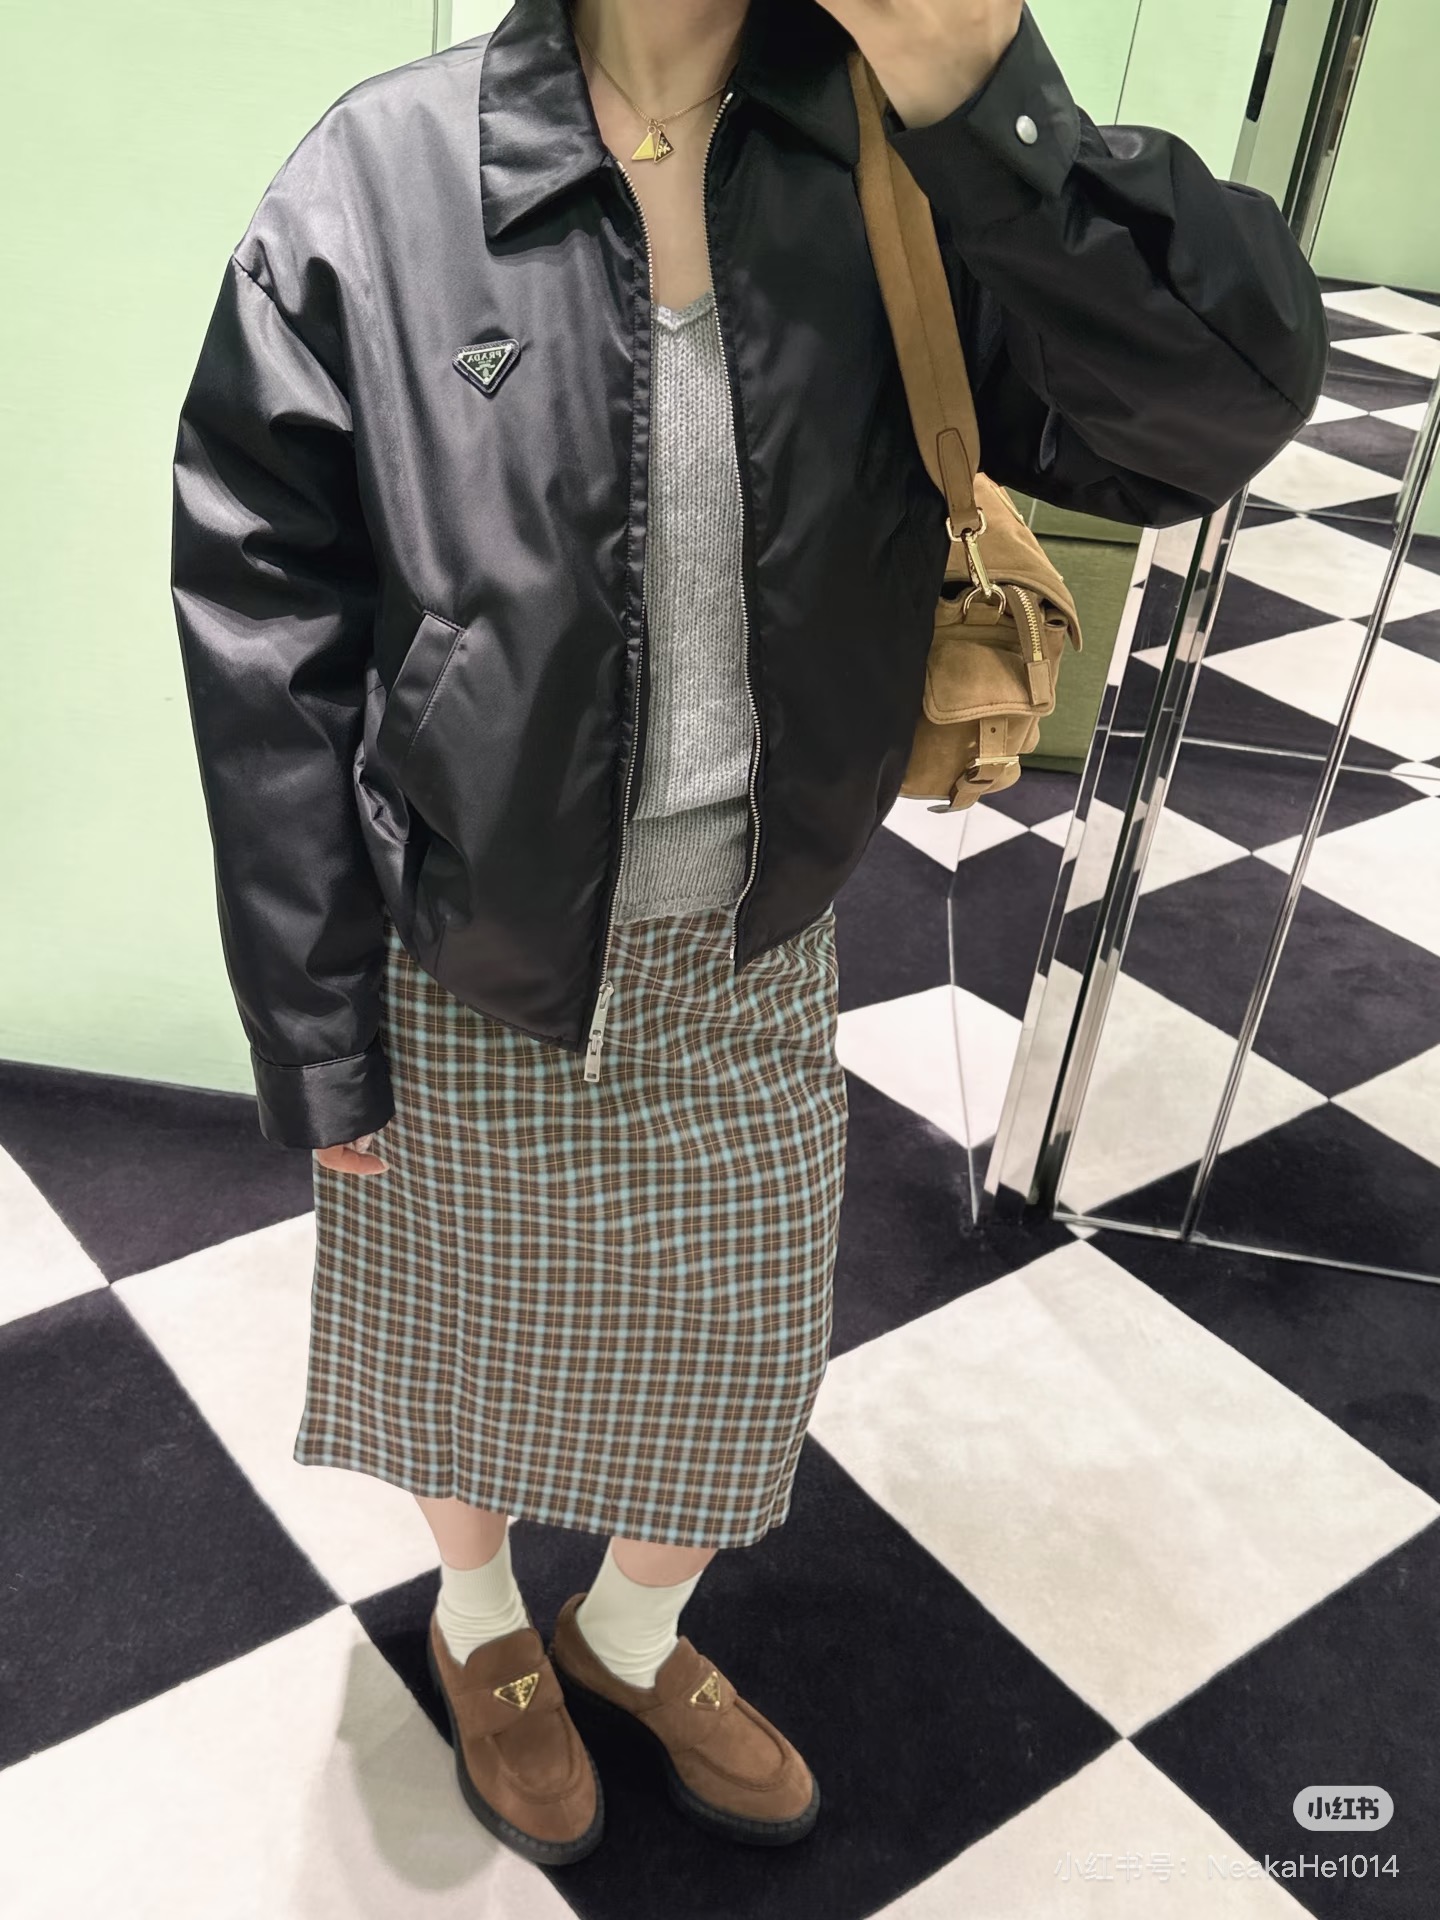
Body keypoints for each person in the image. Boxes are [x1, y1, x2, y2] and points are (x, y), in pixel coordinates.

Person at [169, 0, 1328, 1868]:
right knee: (454, 1333)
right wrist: (310, 1019)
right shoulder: (383, 179)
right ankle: (483, 1624)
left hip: (753, 938)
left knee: (737, 1349)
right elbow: (263, 614)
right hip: (467, 935)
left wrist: (986, 95)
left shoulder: (890, 162)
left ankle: (625, 1639)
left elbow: (1214, 410)